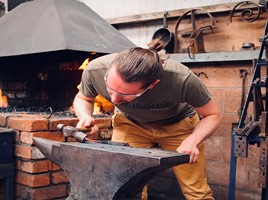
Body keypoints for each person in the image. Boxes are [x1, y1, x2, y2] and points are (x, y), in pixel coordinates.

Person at [72, 39, 223, 199]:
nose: (114, 99)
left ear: (152, 84)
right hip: (131, 125)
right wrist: (85, 116)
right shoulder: (95, 70)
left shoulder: (181, 79)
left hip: (178, 126)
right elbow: (83, 99)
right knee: (126, 188)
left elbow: (213, 115)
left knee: (197, 192)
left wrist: (192, 141)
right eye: (110, 89)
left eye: (125, 94)